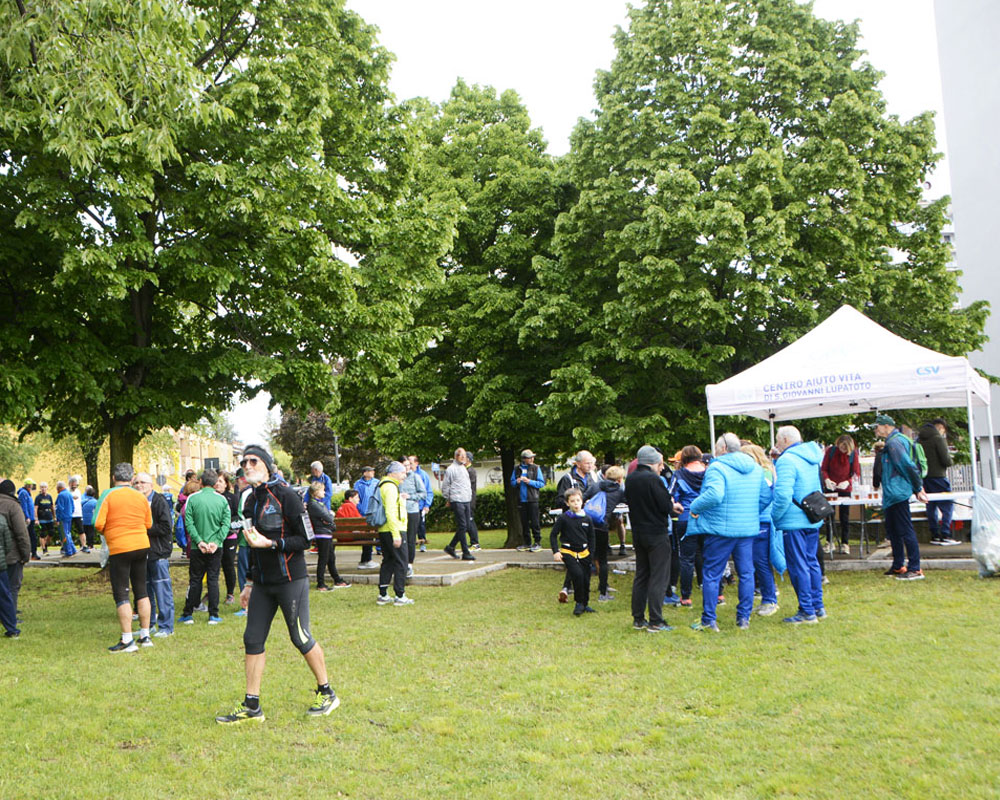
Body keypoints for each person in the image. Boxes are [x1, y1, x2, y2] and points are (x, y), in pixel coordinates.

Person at [215, 444, 339, 724]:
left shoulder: (287, 496)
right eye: (244, 462)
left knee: (300, 636)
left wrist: (273, 543)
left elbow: (305, 540)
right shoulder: (249, 501)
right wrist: (247, 583)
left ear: (268, 466)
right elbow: (252, 547)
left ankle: (327, 692)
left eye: (253, 461)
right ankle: (251, 706)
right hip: (262, 583)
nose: (247, 466)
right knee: (252, 638)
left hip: (290, 580)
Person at [688, 434, 770, 632]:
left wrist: (695, 507)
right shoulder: (756, 468)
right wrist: (749, 512)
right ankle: (743, 618)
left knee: (712, 574)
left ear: (723, 448)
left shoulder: (717, 467)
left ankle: (709, 619)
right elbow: (766, 496)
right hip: (746, 528)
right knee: (747, 573)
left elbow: (715, 494)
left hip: (720, 530)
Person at [95, 463, 153, 652]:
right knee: (142, 590)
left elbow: (97, 523)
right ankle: (145, 635)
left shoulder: (108, 495)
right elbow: (148, 523)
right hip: (141, 545)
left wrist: (110, 531)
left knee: (121, 593)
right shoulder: (141, 496)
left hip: (120, 547)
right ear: (132, 478)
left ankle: (127, 639)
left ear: (113, 478)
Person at [772, 425, 827, 623]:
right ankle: (817, 606)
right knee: (812, 562)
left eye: (778, 441)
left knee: (798, 566)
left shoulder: (786, 460)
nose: (777, 445)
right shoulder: (812, 457)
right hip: (812, 517)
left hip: (793, 520)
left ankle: (806, 610)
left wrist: (775, 516)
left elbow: (783, 494)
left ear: (785, 441)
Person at [625, 445, 674, 633]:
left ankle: (638, 618)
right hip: (656, 532)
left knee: (642, 574)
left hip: (638, 532)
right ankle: (656, 620)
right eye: (660, 463)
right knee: (659, 576)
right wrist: (672, 506)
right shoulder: (654, 479)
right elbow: (664, 505)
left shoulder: (631, 478)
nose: (662, 467)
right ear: (653, 462)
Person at [874, 414, 928, 580]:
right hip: (892, 493)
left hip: (897, 492)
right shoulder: (892, 442)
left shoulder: (894, 442)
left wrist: (918, 487)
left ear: (885, 426)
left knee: (905, 530)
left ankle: (915, 568)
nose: (876, 430)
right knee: (894, 531)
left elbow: (907, 465)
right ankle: (898, 565)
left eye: (877, 427)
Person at [179, 469, 230, 625]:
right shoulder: (222, 500)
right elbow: (226, 523)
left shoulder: (192, 499)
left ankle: (188, 613)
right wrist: (216, 541)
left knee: (195, 580)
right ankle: (213, 614)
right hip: (216, 547)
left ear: (200, 481)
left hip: (197, 547)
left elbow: (189, 523)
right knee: (213, 580)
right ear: (215, 483)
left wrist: (199, 541)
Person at [133, 472, 175, 638]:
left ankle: (166, 626)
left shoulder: (159, 501)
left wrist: (144, 529)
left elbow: (166, 527)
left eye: (143, 482)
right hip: (141, 552)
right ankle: (148, 624)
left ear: (151, 485)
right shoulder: (135, 502)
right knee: (145, 590)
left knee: (161, 589)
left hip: (158, 552)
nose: (139, 485)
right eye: (136, 482)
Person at [741, 444, 780, 616]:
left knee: (761, 562)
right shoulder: (766, 471)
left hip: (762, 521)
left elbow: (764, 496)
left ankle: (770, 599)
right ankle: (767, 597)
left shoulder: (763, 473)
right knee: (759, 562)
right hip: (759, 520)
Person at [550, 487, 596, 616]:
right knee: (577, 575)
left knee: (586, 578)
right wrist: (556, 551)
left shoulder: (587, 519)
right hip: (568, 551)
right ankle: (578, 603)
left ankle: (585, 603)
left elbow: (592, 537)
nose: (576, 503)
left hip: (584, 552)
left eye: (578, 500)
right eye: (572, 501)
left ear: (582, 501)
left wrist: (591, 553)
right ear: (567, 503)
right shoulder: (564, 518)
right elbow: (553, 535)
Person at [670, 446, 706, 608]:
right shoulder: (710, 472)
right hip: (707, 518)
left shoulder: (679, 475)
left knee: (686, 558)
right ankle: (718, 594)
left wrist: (676, 505)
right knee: (711, 556)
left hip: (686, 517)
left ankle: (686, 597)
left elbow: (670, 496)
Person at [583, 465, 626, 602]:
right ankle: (603, 592)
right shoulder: (618, 491)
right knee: (602, 560)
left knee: (585, 556)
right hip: (602, 526)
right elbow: (627, 501)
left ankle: (578, 588)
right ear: (619, 479)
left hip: (588, 525)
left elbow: (583, 496)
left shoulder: (596, 486)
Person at [375, 462, 412, 605]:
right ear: (393, 473)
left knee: (388, 561)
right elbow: (390, 511)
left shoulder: (383, 485)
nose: (405, 475)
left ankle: (383, 594)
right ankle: (400, 595)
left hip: (384, 530)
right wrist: (396, 535)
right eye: (402, 472)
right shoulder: (390, 487)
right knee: (401, 562)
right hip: (394, 529)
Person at [917, 418, 959, 545]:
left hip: (924, 478)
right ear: (940, 427)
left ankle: (934, 534)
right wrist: (951, 461)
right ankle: (946, 533)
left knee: (931, 505)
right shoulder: (938, 438)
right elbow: (946, 460)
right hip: (939, 476)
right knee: (947, 505)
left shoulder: (918, 439)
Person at [821, 434, 861, 555]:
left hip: (845, 488)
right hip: (831, 487)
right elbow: (824, 469)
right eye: (841, 447)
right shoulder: (831, 451)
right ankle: (829, 541)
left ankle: (845, 543)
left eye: (845, 448)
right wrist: (827, 479)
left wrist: (847, 482)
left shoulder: (853, 454)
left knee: (845, 516)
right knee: (829, 515)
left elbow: (856, 473)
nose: (843, 450)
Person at [0, 479, 30, 638]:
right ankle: (11, 620)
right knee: (12, 587)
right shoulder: (13, 506)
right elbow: (21, 533)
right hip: (11, 556)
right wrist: (26, 554)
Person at [307, 482, 349, 591]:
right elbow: (328, 517)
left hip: (326, 533)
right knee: (323, 558)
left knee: (331, 558)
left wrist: (329, 517)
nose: (324, 492)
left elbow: (327, 517)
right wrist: (331, 515)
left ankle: (337, 579)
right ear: (316, 492)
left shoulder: (319, 504)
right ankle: (320, 583)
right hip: (322, 534)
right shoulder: (313, 504)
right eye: (322, 490)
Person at [441, 448, 476, 561]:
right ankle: (465, 552)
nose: (464, 458)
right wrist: (449, 498)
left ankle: (451, 546)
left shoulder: (464, 468)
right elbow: (446, 486)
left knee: (466, 526)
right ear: (456, 456)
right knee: (462, 525)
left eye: (465, 456)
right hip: (457, 500)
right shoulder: (451, 469)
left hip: (466, 499)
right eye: (462, 456)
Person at [511, 449, 545, 552]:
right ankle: (527, 542)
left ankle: (537, 542)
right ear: (524, 459)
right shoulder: (517, 469)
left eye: (532, 457)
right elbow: (511, 483)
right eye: (530, 457)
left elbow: (541, 483)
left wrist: (529, 482)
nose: (532, 459)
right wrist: (516, 482)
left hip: (533, 499)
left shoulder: (536, 468)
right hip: (521, 500)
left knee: (535, 522)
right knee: (524, 522)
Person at [215, 471, 240, 604]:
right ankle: (212, 592)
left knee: (228, 564)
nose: (217, 484)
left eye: (220, 481)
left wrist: (228, 526)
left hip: (229, 536)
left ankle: (230, 593)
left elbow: (239, 517)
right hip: (214, 537)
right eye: (216, 481)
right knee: (213, 565)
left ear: (226, 484)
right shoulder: (211, 497)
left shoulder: (232, 498)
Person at [400, 457, 428, 575]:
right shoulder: (395, 479)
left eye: (408, 465)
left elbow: (423, 494)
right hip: (399, 511)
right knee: (401, 538)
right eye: (404, 465)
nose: (407, 468)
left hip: (412, 511)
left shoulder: (415, 477)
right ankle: (400, 562)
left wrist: (410, 496)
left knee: (411, 538)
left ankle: (409, 564)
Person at [353, 466, 379, 569]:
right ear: (364, 473)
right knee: (367, 536)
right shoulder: (358, 484)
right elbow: (356, 497)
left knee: (372, 535)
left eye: (373, 470)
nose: (373, 472)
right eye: (370, 471)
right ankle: (366, 558)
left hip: (374, 513)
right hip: (363, 513)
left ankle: (369, 556)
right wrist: (360, 509)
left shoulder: (376, 482)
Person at [411, 456, 434, 552]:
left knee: (421, 525)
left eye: (411, 463)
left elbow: (428, 491)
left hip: (420, 505)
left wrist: (427, 505)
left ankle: (422, 543)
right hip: (409, 506)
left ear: (416, 463)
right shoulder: (405, 475)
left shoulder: (423, 475)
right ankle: (411, 544)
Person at [463, 451, 480, 550]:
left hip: (469, 500)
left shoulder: (470, 471)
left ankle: (475, 543)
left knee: (470, 521)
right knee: (466, 521)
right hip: (466, 499)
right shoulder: (465, 470)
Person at [55, 480, 77, 556]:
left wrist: (57, 519)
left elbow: (59, 508)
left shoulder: (61, 495)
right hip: (69, 516)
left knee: (64, 534)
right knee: (68, 533)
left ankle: (68, 551)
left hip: (63, 518)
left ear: (59, 488)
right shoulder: (69, 494)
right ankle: (73, 549)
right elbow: (73, 507)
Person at [17, 480, 38, 561]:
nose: (31, 487)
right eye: (30, 485)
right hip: (28, 519)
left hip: (31, 518)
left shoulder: (27, 493)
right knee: (31, 537)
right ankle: (33, 553)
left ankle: (33, 553)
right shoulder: (24, 493)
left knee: (31, 536)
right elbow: (24, 506)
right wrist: (27, 517)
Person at [34, 482, 55, 556]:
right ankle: (44, 549)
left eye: (45, 487)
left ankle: (44, 543)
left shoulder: (49, 497)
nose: (43, 489)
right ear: (40, 488)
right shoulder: (38, 497)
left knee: (51, 532)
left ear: (47, 488)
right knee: (42, 533)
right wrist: (36, 519)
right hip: (41, 518)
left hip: (49, 517)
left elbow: (52, 507)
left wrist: (54, 517)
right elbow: (35, 508)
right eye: (42, 487)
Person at [69, 475, 88, 552]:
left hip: (78, 514)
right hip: (70, 514)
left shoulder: (78, 491)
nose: (74, 486)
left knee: (81, 530)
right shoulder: (67, 491)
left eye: (75, 484)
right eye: (73, 484)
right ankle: (66, 546)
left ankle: (84, 545)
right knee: (67, 531)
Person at [81, 486, 98, 552]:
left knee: (84, 533)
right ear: (94, 494)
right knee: (91, 533)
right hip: (91, 520)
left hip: (83, 520)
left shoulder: (82, 501)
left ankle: (83, 545)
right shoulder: (95, 502)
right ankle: (90, 545)